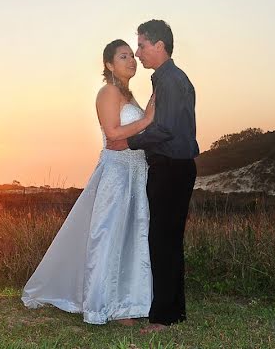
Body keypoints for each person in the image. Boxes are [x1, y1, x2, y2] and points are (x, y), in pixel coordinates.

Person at [21, 39, 171, 325]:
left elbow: (138, 134)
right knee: (109, 235)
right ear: (109, 64)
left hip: (136, 172)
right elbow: (114, 134)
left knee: (131, 237)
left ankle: (127, 303)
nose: (132, 60)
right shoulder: (108, 92)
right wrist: (147, 118)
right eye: (124, 56)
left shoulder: (130, 96)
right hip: (116, 174)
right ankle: (104, 304)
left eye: (132, 56)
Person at [106, 20, 199, 333]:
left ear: (160, 46)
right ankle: (173, 311)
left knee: (163, 241)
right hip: (174, 166)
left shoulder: (170, 81)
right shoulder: (167, 78)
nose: (138, 52)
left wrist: (128, 142)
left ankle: (163, 318)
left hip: (171, 167)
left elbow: (165, 129)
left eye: (142, 45)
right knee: (168, 240)